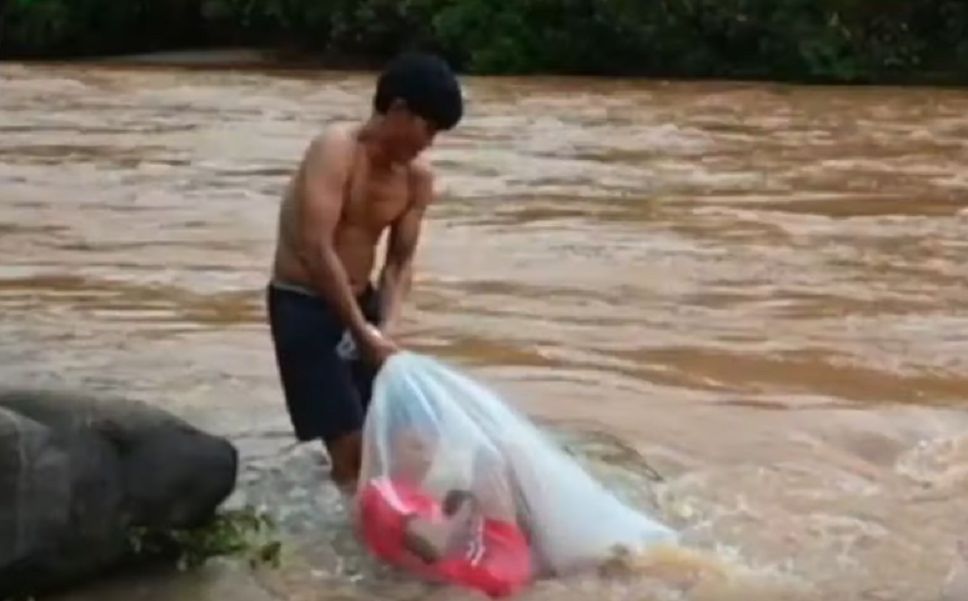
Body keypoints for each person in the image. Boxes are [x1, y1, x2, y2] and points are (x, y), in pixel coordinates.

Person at [266, 52, 464, 490]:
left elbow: (398, 263)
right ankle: (355, 544)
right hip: (302, 306)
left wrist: (385, 329)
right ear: (397, 110)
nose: (428, 142)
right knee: (353, 452)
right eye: (427, 128)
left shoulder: (417, 179)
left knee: (403, 440)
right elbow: (315, 248)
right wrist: (360, 332)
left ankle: (379, 518)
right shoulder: (336, 149)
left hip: (363, 303)